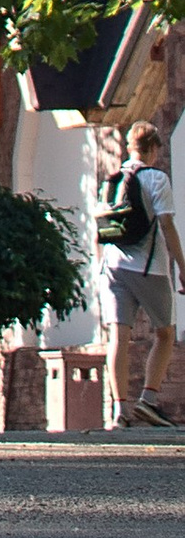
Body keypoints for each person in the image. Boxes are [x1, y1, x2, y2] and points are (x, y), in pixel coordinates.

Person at [101, 120, 183, 428]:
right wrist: (183, 269)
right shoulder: (156, 179)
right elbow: (167, 226)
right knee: (164, 334)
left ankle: (118, 410)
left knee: (118, 335)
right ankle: (148, 400)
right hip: (149, 268)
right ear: (152, 149)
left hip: (111, 267)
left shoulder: (111, 179)